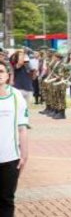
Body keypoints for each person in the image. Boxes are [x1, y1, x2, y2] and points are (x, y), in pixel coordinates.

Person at [0, 61, 29, 217]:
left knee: (7, 200)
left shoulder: (16, 95)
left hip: (10, 157)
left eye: (1, 71)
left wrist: (24, 155)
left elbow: (22, 128)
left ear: (7, 75)